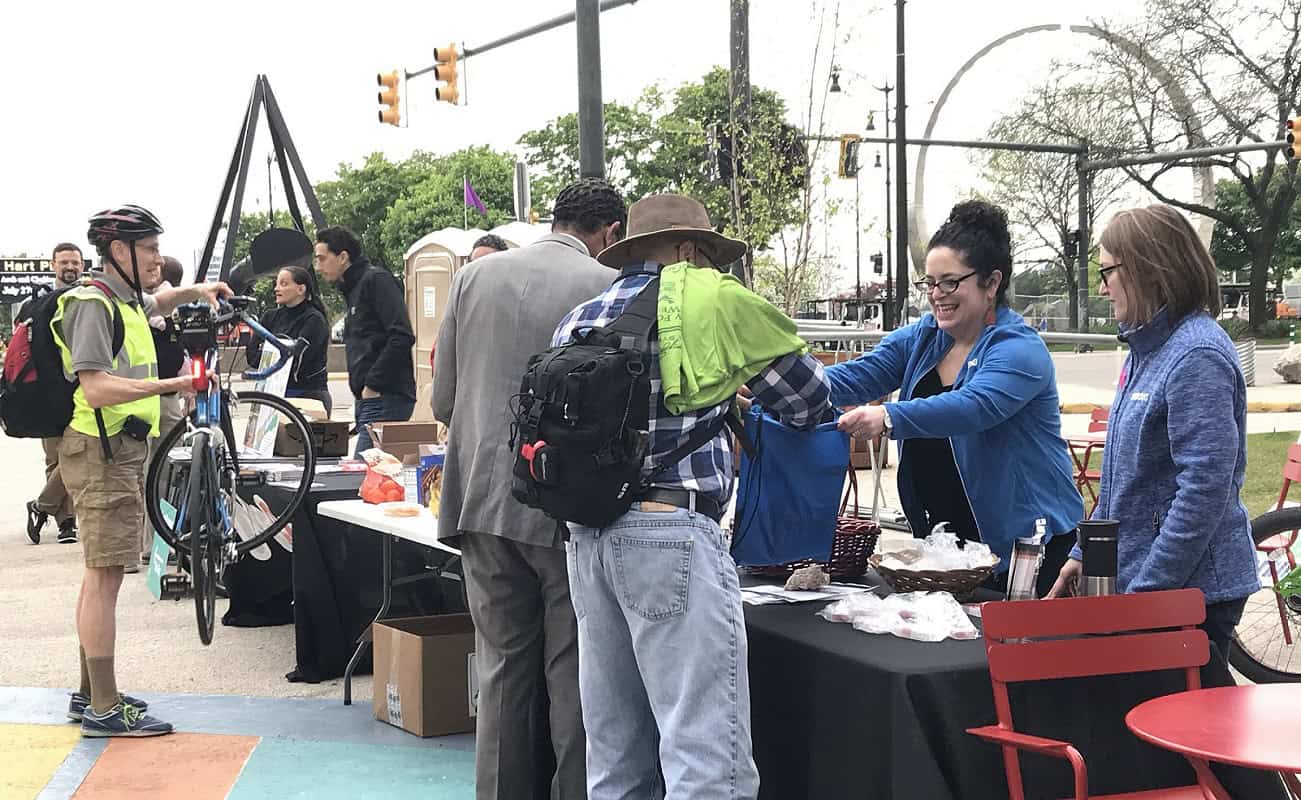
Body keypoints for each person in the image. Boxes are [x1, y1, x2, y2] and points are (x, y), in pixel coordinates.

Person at [554, 194, 832, 798]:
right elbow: (808, 401)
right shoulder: (712, 302)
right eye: (707, 255)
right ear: (686, 250)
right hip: (670, 532)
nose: (712, 269)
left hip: (586, 540)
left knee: (616, 754)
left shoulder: (580, 318)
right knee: (707, 755)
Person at [432, 178, 625, 799]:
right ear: (610, 234)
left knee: (502, 668)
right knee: (574, 670)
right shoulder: (608, 287)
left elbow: (443, 397)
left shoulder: (472, 278)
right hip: (564, 505)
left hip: (479, 497)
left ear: (553, 218)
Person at [828, 200, 1083, 596]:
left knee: (1020, 656)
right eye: (929, 283)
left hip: (1028, 552)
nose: (936, 295)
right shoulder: (924, 337)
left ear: (992, 283)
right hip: (949, 552)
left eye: (949, 282)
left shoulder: (1019, 349)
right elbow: (859, 375)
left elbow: (972, 407)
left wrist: (888, 418)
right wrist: (772, 382)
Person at [1048, 204, 1259, 658]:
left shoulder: (1196, 355)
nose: (1102, 288)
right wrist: (1085, 554)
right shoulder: (1145, 349)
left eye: (1107, 272)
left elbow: (1203, 491)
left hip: (1191, 594)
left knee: (1181, 726)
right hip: (1153, 589)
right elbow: (1125, 479)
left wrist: (1147, 597)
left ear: (1149, 268)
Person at [54, 205, 231, 737]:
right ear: (118, 251)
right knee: (104, 578)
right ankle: (104, 709)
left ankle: (90, 695)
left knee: (98, 576)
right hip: (100, 450)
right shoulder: (91, 303)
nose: (157, 258)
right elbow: (97, 387)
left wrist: (198, 289)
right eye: (149, 248)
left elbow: (158, 300)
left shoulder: (122, 299)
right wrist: (174, 387)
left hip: (116, 449)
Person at [313, 226, 414, 454]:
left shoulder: (375, 281)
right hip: (369, 398)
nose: (318, 267)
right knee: (375, 478)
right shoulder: (353, 289)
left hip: (386, 396)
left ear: (343, 257)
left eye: (322, 259)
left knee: (364, 474)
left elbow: (402, 335)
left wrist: (373, 384)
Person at [26, 242, 88, 545]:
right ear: (53, 265)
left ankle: (42, 505)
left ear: (83, 265)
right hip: (48, 394)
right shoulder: (34, 304)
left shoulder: (89, 299)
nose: (70, 267)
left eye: (75, 262)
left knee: (78, 454)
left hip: (83, 390)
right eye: (64, 262)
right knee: (55, 458)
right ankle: (66, 523)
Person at [137, 256, 188, 568]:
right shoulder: (153, 310)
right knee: (163, 473)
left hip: (148, 397)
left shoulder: (147, 308)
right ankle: (157, 542)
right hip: (158, 397)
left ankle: (148, 543)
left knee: (149, 474)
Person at [246, 265, 332, 416]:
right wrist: (280, 355)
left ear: (301, 289)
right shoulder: (269, 317)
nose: (276, 289)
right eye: (276, 284)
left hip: (308, 395)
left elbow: (298, 361)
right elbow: (252, 356)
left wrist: (270, 356)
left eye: (284, 284)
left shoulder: (314, 319)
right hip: (272, 395)